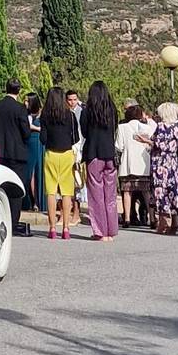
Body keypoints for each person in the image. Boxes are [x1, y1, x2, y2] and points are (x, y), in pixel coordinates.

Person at [0, 78, 30, 232]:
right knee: (16, 189)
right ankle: (13, 221)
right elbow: (25, 132)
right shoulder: (20, 109)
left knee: (2, 186)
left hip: (0, 152)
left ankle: (1, 218)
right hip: (17, 152)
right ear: (18, 90)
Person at [80, 80, 119, 242]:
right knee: (110, 195)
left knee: (96, 195)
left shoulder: (87, 111)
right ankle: (111, 231)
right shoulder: (113, 110)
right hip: (110, 154)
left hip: (93, 153)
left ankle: (100, 231)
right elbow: (115, 128)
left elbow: (84, 131)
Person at [40, 87, 79, 239]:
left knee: (51, 191)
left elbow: (42, 138)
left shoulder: (45, 115)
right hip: (66, 154)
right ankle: (66, 228)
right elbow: (75, 137)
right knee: (66, 191)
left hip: (51, 153)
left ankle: (52, 228)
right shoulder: (69, 115)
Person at [115, 105, 153, 229]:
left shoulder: (122, 127)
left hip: (128, 162)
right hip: (143, 163)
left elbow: (119, 146)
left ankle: (126, 218)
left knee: (127, 191)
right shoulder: (147, 128)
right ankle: (152, 218)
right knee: (146, 191)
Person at [146, 103, 178, 235]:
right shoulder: (176, 128)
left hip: (160, 163)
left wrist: (146, 141)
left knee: (161, 192)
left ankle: (164, 223)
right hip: (172, 163)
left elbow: (158, 144)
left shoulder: (161, 127)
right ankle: (175, 222)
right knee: (173, 191)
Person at [65, 89, 85, 225]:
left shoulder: (82, 112)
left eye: (74, 99)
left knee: (77, 182)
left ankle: (77, 212)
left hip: (79, 149)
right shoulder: (65, 112)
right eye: (70, 100)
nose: (72, 102)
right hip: (67, 148)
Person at [24, 93, 46, 214]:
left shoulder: (41, 113)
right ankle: (30, 200)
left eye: (27, 101)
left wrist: (36, 128)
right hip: (29, 142)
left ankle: (38, 201)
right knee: (29, 171)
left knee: (38, 170)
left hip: (38, 141)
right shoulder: (24, 113)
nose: (25, 102)